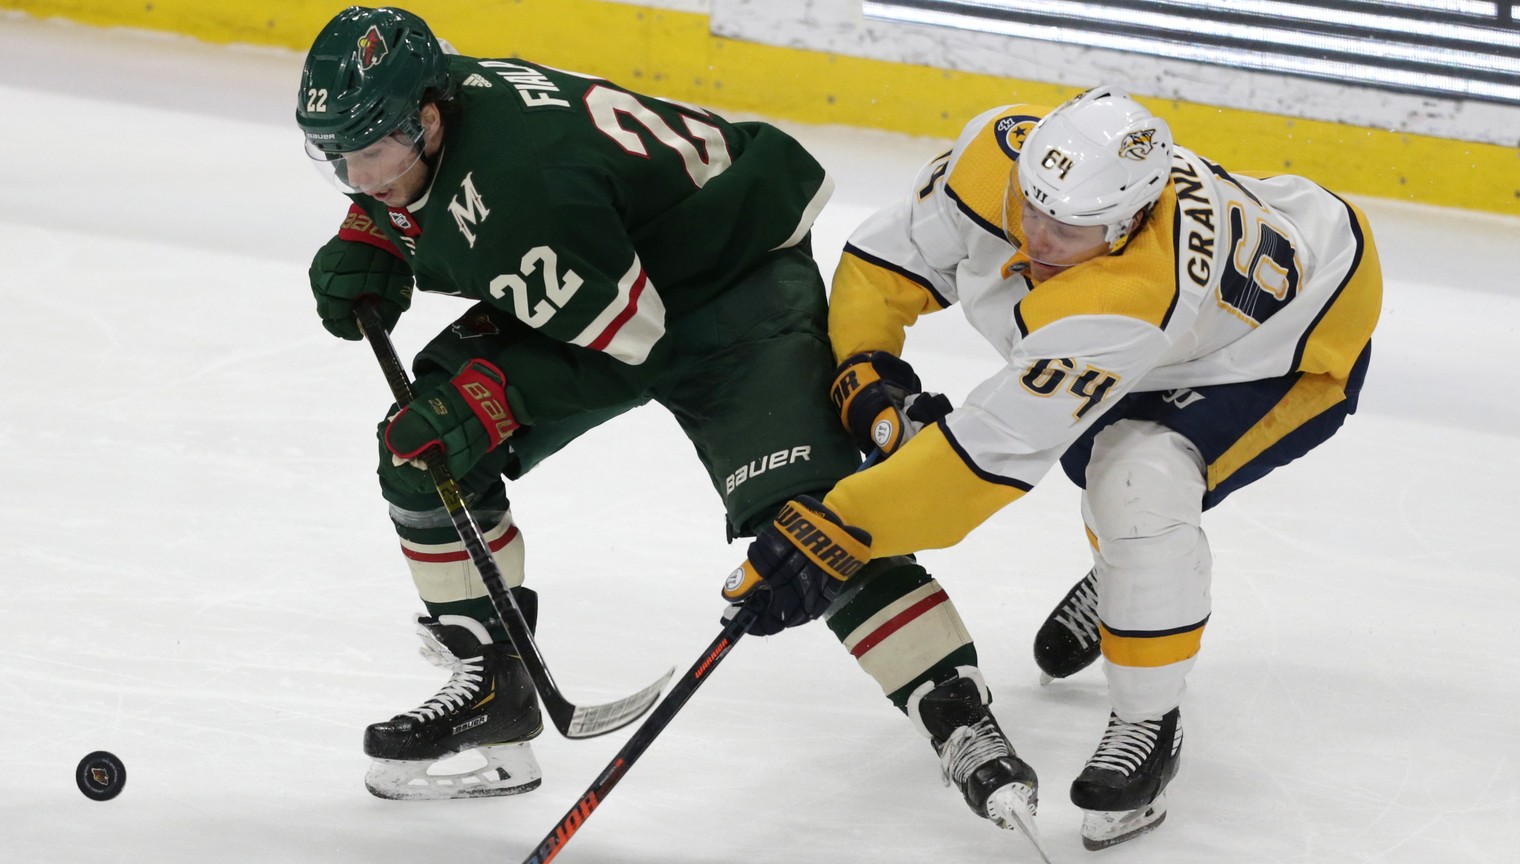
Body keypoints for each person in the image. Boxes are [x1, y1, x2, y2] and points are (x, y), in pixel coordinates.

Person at [295, 4, 1039, 828]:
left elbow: (633, 342)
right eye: (342, 159)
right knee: (421, 451)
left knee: (812, 525)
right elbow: (455, 211)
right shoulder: (438, 98)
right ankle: (493, 687)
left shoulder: (523, 196)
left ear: (428, 118)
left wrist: (492, 395)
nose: (361, 176)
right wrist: (382, 225)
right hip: (618, 263)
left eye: (376, 156)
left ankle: (958, 715)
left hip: (731, 284)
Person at [721, 85, 1381, 849]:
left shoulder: (1132, 296)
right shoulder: (998, 156)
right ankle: (1133, 579)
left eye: (1066, 228)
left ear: (1128, 221)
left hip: (1289, 344)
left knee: (1139, 484)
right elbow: (886, 260)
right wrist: (867, 370)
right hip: (1198, 311)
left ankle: (1148, 720)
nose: (1034, 236)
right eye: (1032, 205)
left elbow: (983, 458)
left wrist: (838, 531)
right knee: (1114, 484)